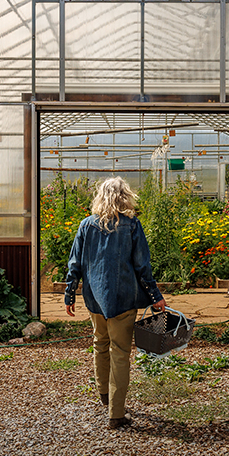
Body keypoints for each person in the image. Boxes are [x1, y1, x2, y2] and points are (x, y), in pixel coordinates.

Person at [64, 176, 166, 429]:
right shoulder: (131, 225)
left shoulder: (86, 225)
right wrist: (155, 296)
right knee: (120, 352)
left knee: (100, 344)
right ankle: (116, 414)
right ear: (125, 197)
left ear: (100, 197)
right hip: (123, 298)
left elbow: (75, 263)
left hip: (94, 298)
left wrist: (69, 293)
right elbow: (143, 266)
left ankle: (105, 396)